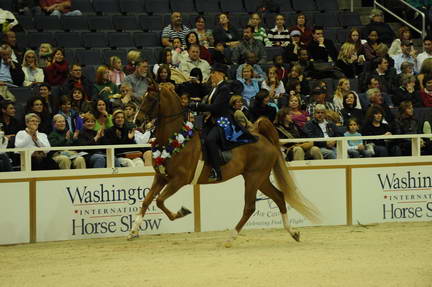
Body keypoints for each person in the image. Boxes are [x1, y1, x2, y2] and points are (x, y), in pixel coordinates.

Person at [188, 64, 249, 182]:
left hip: (223, 121)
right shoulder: (214, 88)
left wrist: (197, 106)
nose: (211, 75)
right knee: (199, 138)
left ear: (220, 74)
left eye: (213, 73)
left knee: (211, 139)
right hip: (213, 120)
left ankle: (217, 171)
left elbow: (216, 107)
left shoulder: (225, 88)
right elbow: (213, 107)